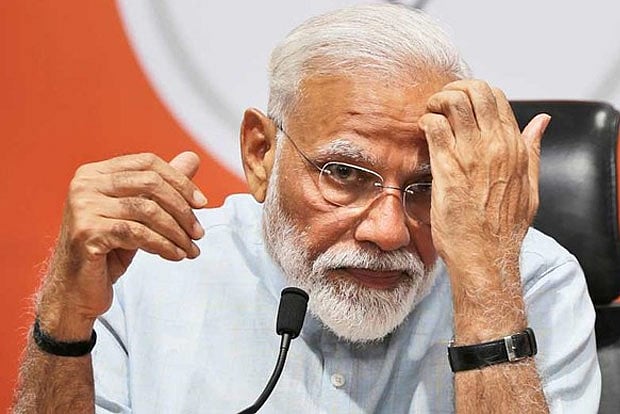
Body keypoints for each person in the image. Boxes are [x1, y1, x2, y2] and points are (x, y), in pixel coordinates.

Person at [12, 4, 600, 413]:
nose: (388, 231)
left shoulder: (533, 282)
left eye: (425, 186)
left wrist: (486, 290)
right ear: (261, 153)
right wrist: (64, 320)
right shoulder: (151, 273)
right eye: (344, 174)